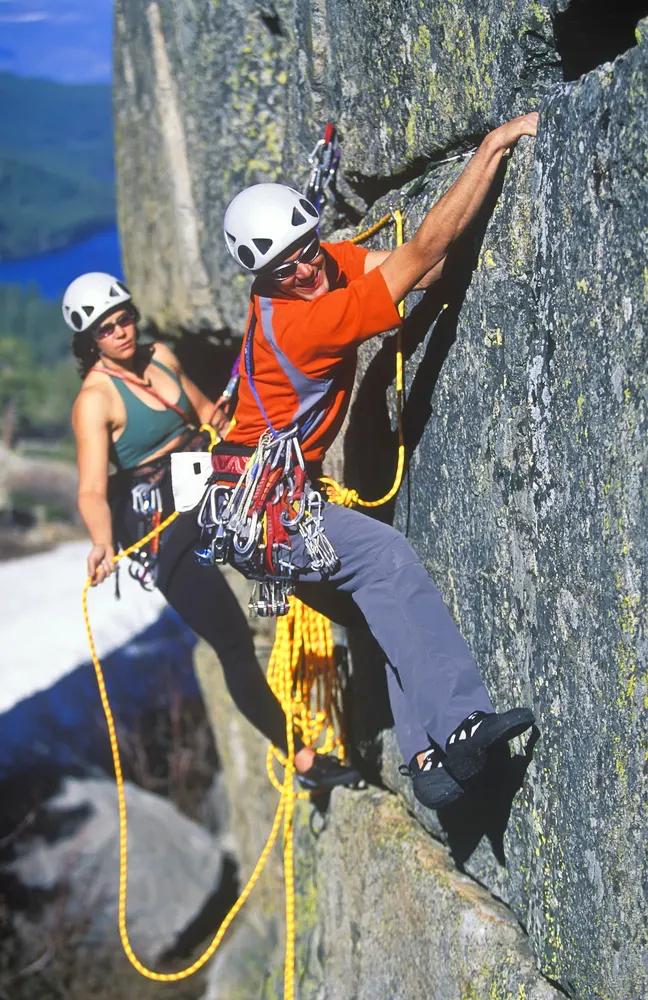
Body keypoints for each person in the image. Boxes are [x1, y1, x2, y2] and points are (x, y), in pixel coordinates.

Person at [216, 113, 540, 810]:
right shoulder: (300, 322)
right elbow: (421, 254)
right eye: (285, 267)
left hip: (260, 504)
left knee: (382, 600)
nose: (306, 268)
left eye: (306, 249)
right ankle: (460, 725)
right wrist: (493, 146)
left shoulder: (313, 268)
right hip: (270, 510)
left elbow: (417, 272)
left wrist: (407, 267)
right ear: (263, 279)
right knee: (386, 561)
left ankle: (425, 755)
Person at [64, 271, 360, 792]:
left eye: (125, 318)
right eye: (108, 329)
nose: (123, 332)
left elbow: (207, 417)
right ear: (91, 344)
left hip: (208, 479)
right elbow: (91, 488)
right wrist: (102, 542)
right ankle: (303, 758)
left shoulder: (162, 359)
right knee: (232, 641)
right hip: (159, 519)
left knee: (292, 555)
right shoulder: (95, 401)